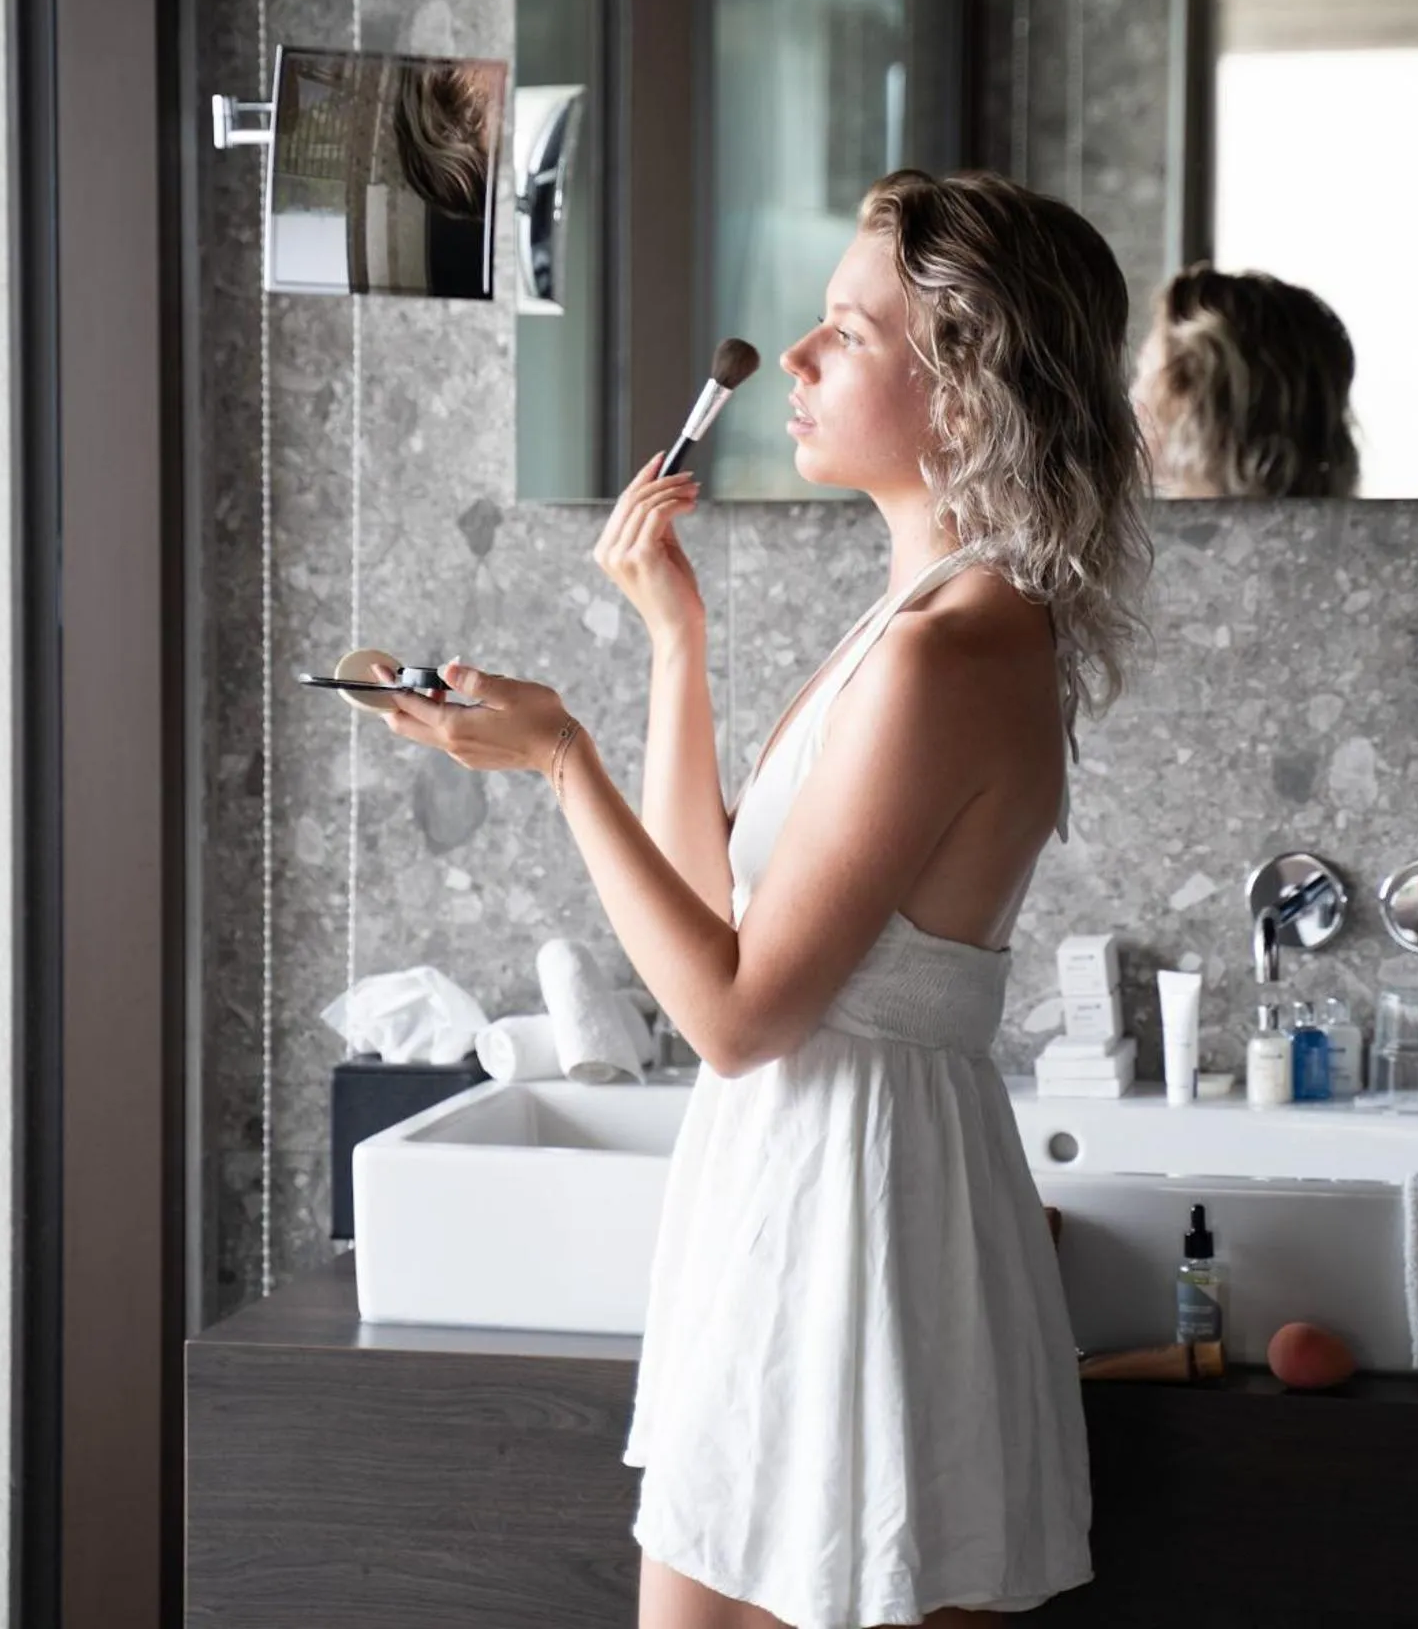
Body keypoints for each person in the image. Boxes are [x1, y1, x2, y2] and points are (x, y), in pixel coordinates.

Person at [374, 167, 1154, 1627]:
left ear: (968, 385)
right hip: (790, 1193)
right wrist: (674, 642)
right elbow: (721, 905)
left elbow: (732, 1015)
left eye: (844, 336)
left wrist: (558, 759)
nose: (790, 360)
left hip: (864, 1216)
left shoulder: (950, 651)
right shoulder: (915, 621)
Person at [1130, 260, 1360, 498]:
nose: (1132, 399)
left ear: (1188, 398)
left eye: (1142, 372)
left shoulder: (1171, 531)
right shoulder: (1338, 529)